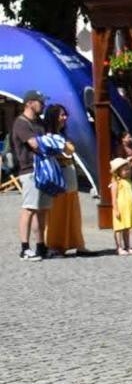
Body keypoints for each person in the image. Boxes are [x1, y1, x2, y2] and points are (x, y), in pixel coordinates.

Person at [41, 104, 87, 256]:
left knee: (73, 212)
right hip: (58, 178)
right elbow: (62, 152)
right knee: (57, 213)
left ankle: (77, 243)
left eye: (65, 114)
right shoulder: (48, 137)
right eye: (62, 115)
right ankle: (55, 245)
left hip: (69, 175)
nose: (65, 117)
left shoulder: (62, 136)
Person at [13, 90, 48, 260]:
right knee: (29, 209)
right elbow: (35, 144)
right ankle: (24, 248)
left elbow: (47, 140)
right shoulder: (21, 123)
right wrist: (52, 143)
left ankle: (41, 246)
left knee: (41, 210)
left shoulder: (39, 122)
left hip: (43, 170)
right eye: (40, 102)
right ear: (29, 103)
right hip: (30, 171)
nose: (43, 105)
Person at [109, 155, 132, 254]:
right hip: (120, 208)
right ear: (118, 171)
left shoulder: (128, 181)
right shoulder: (116, 183)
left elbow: (130, 193)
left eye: (128, 169)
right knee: (118, 228)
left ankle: (127, 247)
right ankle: (119, 247)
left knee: (126, 228)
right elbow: (114, 198)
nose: (127, 171)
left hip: (127, 208)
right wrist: (116, 209)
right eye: (125, 170)